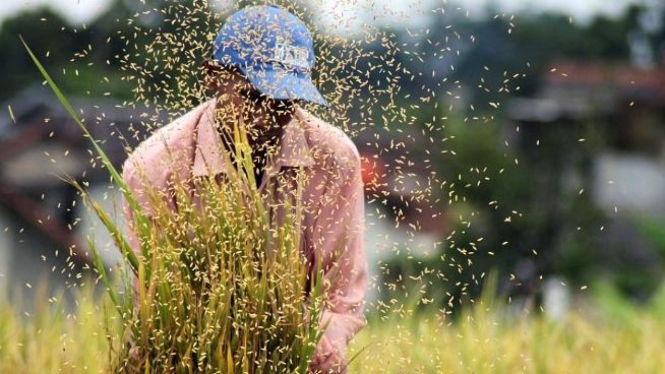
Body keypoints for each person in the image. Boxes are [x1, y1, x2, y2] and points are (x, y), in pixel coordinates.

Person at [121, 5, 367, 373]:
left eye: (284, 102)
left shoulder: (333, 158)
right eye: (253, 97)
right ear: (213, 77)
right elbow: (161, 299)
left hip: (301, 356)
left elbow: (341, 293)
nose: (266, 117)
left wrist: (312, 340)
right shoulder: (156, 167)